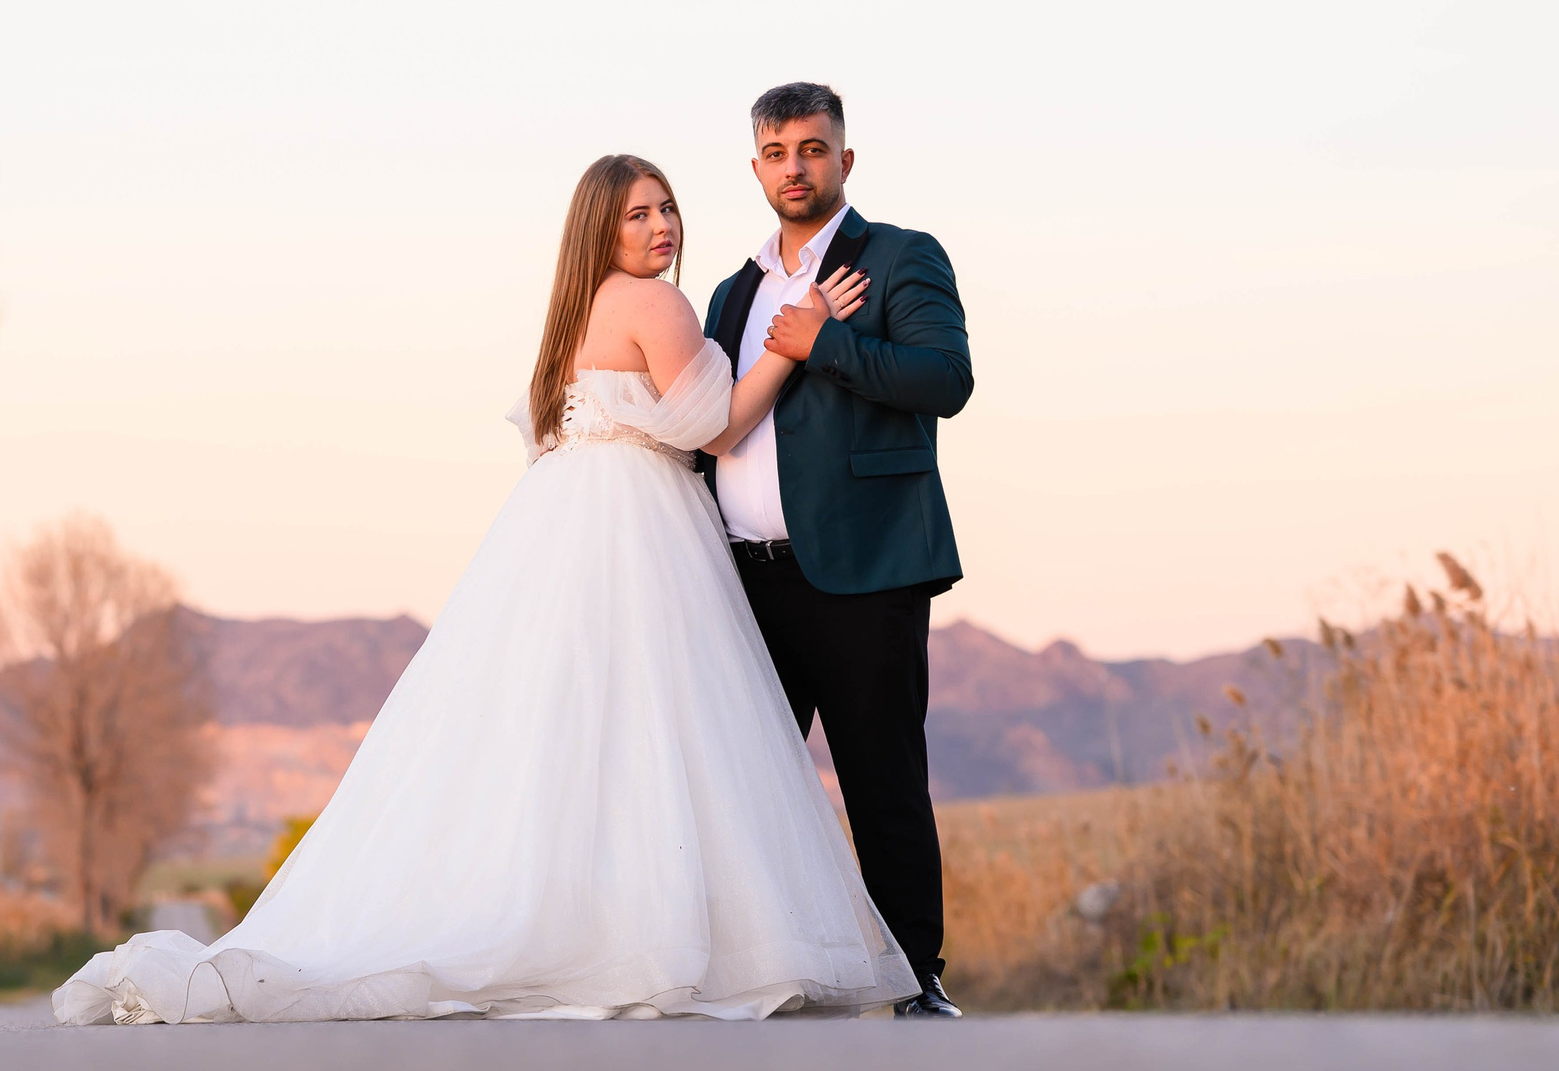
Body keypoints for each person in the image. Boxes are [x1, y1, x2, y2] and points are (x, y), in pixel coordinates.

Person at [55, 153, 918, 1024]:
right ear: (601, 230)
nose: (663, 228)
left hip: (559, 520)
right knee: (652, 722)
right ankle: (647, 931)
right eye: (637, 216)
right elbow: (715, 425)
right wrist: (793, 337)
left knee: (565, 727)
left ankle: (571, 915)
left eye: (668, 209)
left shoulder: (573, 311)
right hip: (636, 520)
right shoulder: (657, 302)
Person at [701, 83, 973, 1018]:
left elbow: (945, 379)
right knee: (743, 784)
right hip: (744, 575)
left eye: (813, 149)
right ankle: (760, 972)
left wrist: (824, 342)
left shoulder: (900, 258)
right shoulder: (732, 293)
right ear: (756, 168)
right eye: (777, 152)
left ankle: (916, 978)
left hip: (864, 569)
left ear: (844, 160)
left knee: (881, 776)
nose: (796, 167)